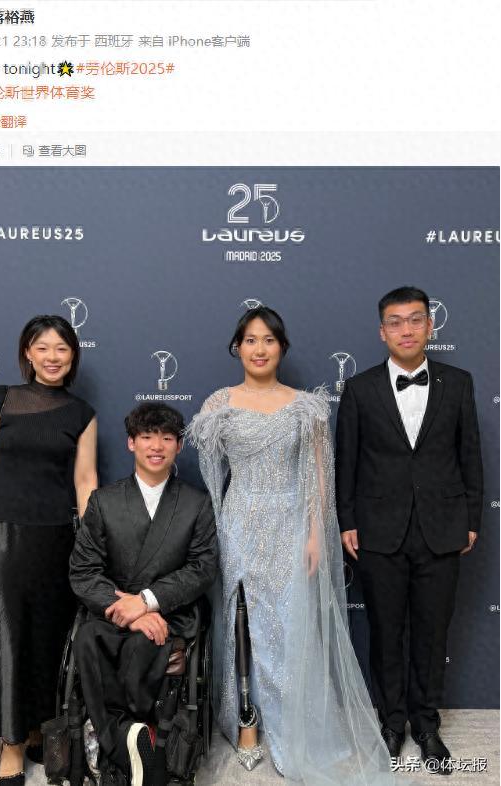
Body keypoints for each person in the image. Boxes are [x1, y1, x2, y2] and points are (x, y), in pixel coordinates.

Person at [186, 306, 393, 784]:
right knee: (241, 621)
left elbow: (321, 477)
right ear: (237, 347)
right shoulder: (218, 404)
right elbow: (212, 476)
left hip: (293, 525)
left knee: (291, 625)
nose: (259, 349)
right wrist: (217, 529)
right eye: (250, 340)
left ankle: (294, 722)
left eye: (269, 340)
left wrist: (317, 534)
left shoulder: (307, 407)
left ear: (282, 347)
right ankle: (246, 720)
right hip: (239, 523)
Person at [335, 286, 483, 775]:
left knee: (432, 633)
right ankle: (392, 722)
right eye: (395, 322)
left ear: (430, 326)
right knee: (385, 631)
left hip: (443, 528)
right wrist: (347, 520)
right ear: (382, 331)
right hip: (378, 530)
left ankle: (427, 724)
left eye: (415, 320)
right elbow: (346, 461)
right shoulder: (360, 389)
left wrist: (472, 519)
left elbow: (470, 455)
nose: (406, 330)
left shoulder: (458, 383)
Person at [0, 315, 97, 786]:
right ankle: (12, 745)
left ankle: (38, 727)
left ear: (73, 355)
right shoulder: (1, 398)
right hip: (1, 531)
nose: (52, 357)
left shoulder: (82, 413)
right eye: (42, 347)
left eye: (61, 348)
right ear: (27, 353)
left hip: (56, 537)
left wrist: (90, 543)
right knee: (8, 634)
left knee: (47, 636)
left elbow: (86, 482)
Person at [69, 403, 218, 786]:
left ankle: (112, 748)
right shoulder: (103, 501)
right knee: (87, 638)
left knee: (144, 644)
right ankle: (131, 744)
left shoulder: (197, 504)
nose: (157, 446)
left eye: (167, 438)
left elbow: (202, 568)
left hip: (169, 613)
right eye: (147, 436)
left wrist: (148, 601)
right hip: (114, 612)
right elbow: (83, 572)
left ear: (179, 446)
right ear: (131, 443)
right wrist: (129, 608)